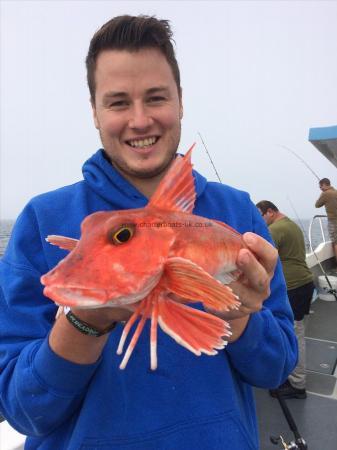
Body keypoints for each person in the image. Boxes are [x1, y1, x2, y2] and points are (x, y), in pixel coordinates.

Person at [0, 15, 297, 450]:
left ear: (180, 102)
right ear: (95, 110)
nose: (140, 121)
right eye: (118, 102)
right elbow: (22, 409)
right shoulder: (42, 221)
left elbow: (276, 369)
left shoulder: (238, 212)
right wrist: (86, 318)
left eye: (155, 97)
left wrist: (238, 316)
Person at [256, 200, 314, 399]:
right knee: (297, 330)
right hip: (304, 283)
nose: (261, 221)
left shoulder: (276, 230)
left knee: (294, 333)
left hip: (294, 286)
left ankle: (298, 384)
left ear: (270, 212)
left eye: (261, 216)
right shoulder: (291, 225)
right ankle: (293, 376)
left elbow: (261, 260)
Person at [315, 177, 337, 261]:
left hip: (334, 221)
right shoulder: (335, 192)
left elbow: (317, 205)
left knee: (335, 243)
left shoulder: (325, 194)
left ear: (324, 184)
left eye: (320, 187)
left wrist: (322, 193)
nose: (320, 189)